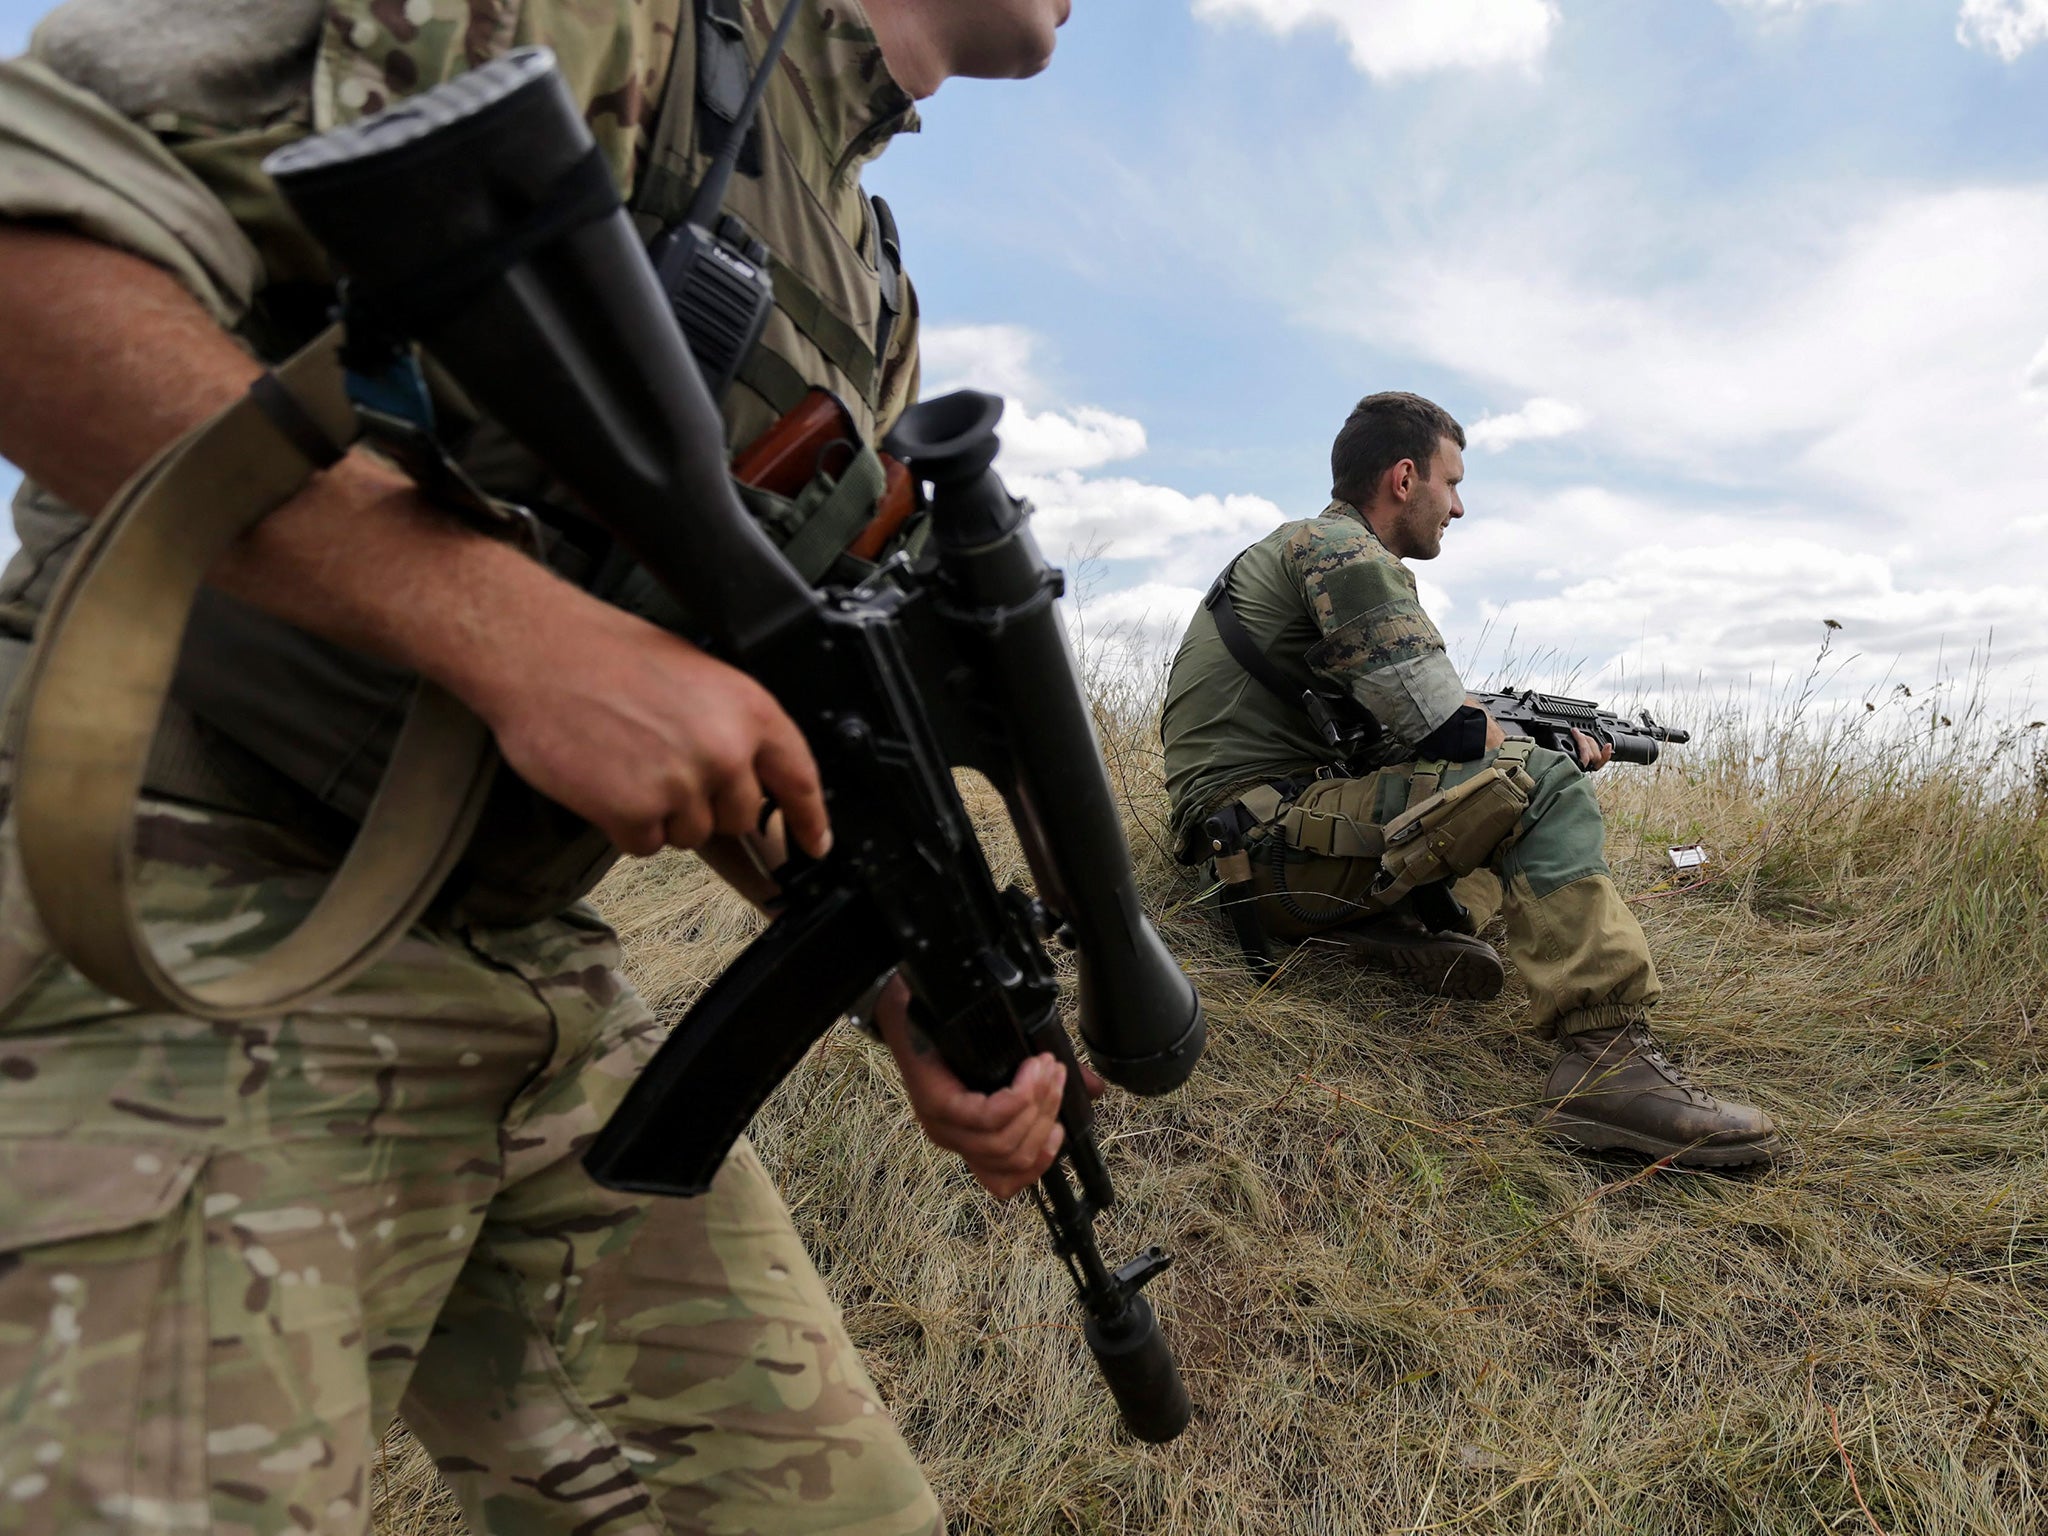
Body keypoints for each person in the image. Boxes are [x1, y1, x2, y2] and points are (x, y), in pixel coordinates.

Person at [0, 1, 1077, 1532]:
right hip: (175, 875)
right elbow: (30, 226)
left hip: (528, 974)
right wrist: (503, 631)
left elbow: (729, 693)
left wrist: (897, 979)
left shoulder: (871, 282)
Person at [1161, 391, 1783, 1170]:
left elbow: (1401, 740)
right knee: (1543, 785)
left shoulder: (1299, 552)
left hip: (1248, 855)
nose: (1459, 507)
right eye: (1451, 485)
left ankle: (1401, 932)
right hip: (1267, 848)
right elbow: (1448, 730)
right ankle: (1606, 1063)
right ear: (1403, 478)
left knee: (1490, 799)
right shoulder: (1344, 553)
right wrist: (1542, 744)